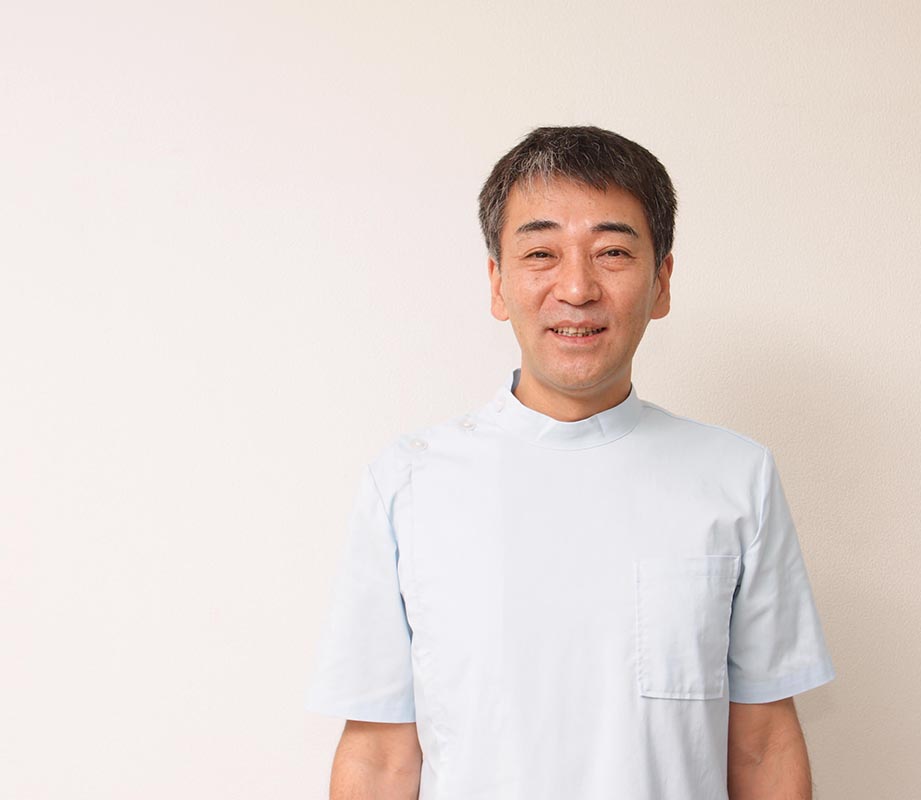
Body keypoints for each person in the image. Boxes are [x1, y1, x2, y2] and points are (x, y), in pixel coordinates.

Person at [304, 125, 835, 799]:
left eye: (612, 252)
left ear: (662, 282)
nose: (577, 288)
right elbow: (380, 756)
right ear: (498, 284)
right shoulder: (409, 482)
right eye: (541, 253)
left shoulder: (736, 478)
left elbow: (763, 747)